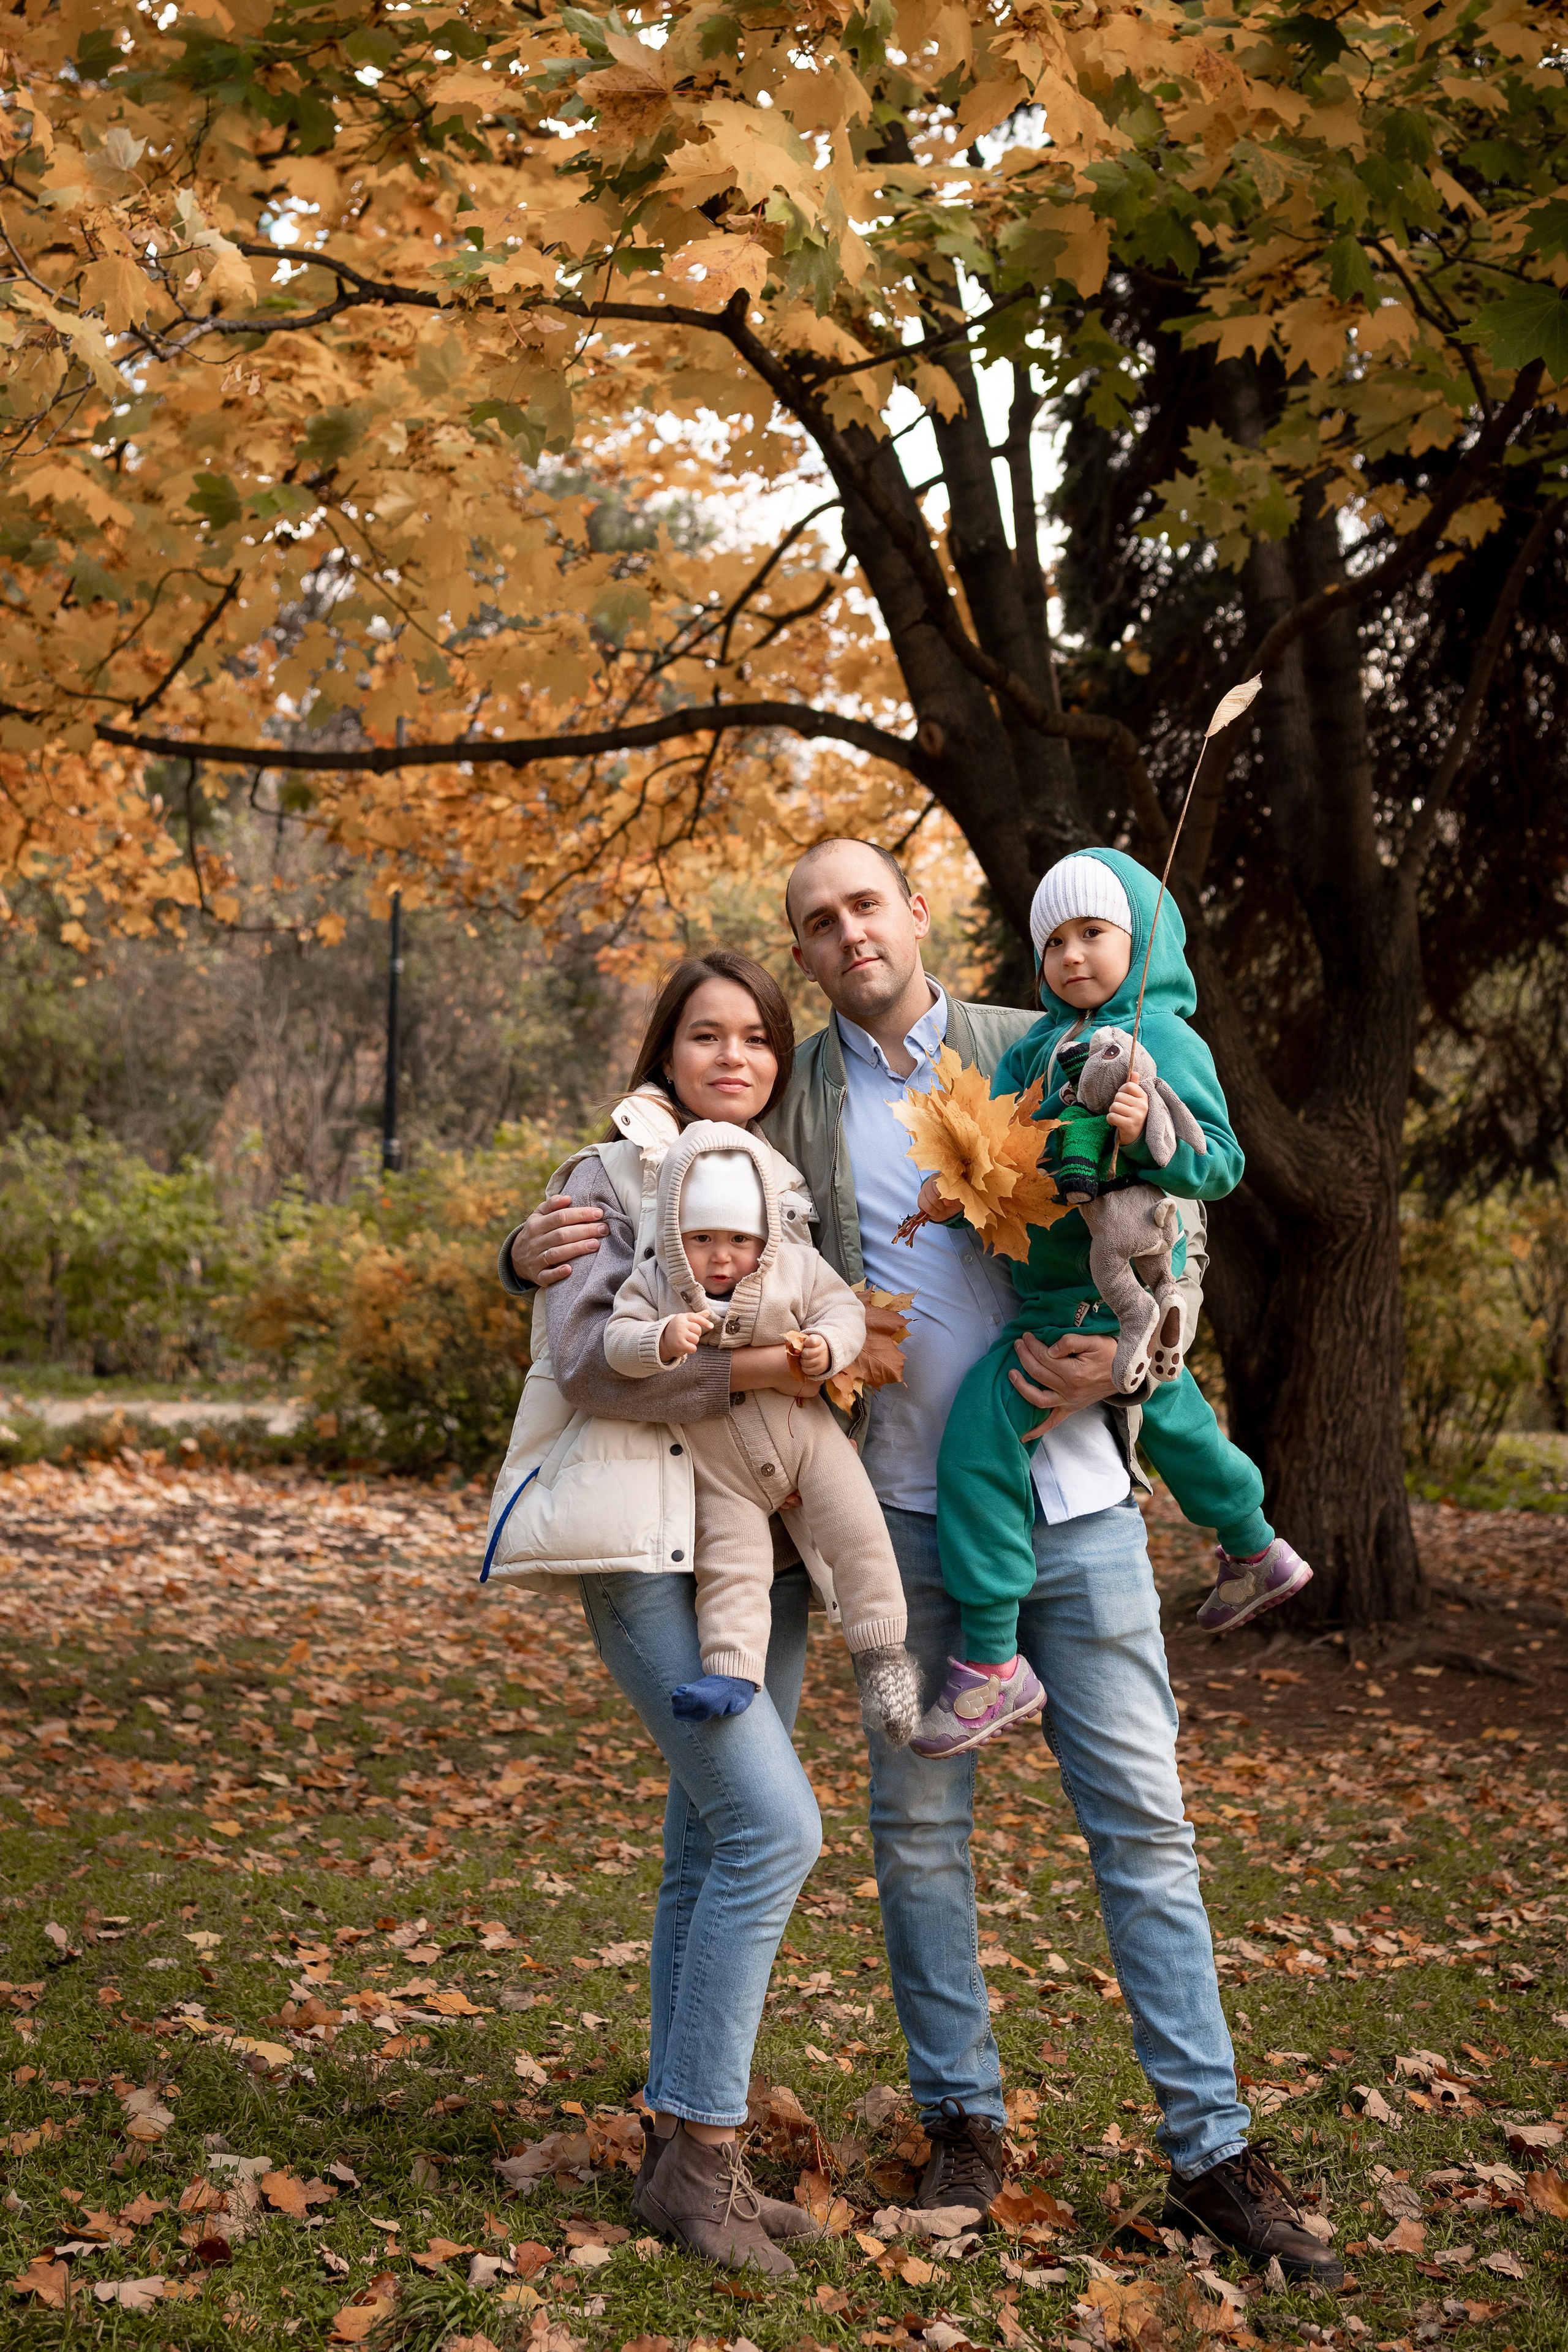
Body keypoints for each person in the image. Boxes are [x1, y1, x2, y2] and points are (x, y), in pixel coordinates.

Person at [503, 843, 1343, 2286]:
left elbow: (1177, 1211)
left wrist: (1145, 1349)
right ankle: (963, 2122)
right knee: (913, 1834)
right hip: (895, 1517)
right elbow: (656, 1200)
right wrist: (521, 1257)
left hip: (1074, 1503)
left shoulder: (1040, 1042)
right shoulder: (790, 1092)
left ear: (913, 914)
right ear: (806, 953)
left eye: (863, 906)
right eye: (814, 925)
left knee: (1140, 1826)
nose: (844, 935)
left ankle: (1210, 2149)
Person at [484, 951, 839, 2278]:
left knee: (706, 1843)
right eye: (706, 1035)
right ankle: (702, 2159)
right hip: (644, 1548)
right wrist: (770, 1368)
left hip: (763, 1557)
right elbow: (586, 1360)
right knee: (772, 1825)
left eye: (755, 1037)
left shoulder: (777, 1189)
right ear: (664, 1052)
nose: (732, 1056)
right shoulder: (605, 1176)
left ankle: (676, 2160)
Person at [910, 850, 1312, 1758]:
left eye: (1094, 933)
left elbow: (1220, 1165)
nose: (1073, 956)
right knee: (1170, 1412)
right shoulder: (1027, 1049)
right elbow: (1002, 1152)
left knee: (979, 1436)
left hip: (1103, 1283)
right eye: (1053, 940)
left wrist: (1148, 1133)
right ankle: (1253, 1544)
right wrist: (956, 1190)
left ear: (1143, 938)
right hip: (1047, 1285)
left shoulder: (1163, 1037)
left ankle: (989, 1664)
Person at [603, 1117, 920, 1736]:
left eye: (739, 1239)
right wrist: (658, 1339)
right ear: (673, 1232)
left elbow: (841, 1313)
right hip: (719, 1470)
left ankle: (883, 1660)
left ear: (766, 1233)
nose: (721, 1257)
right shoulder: (653, 1283)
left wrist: (826, 1348)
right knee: (731, 1566)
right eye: (701, 1238)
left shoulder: (796, 1269)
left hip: (809, 1444)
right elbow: (614, 1345)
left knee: (860, 1540)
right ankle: (732, 1671)